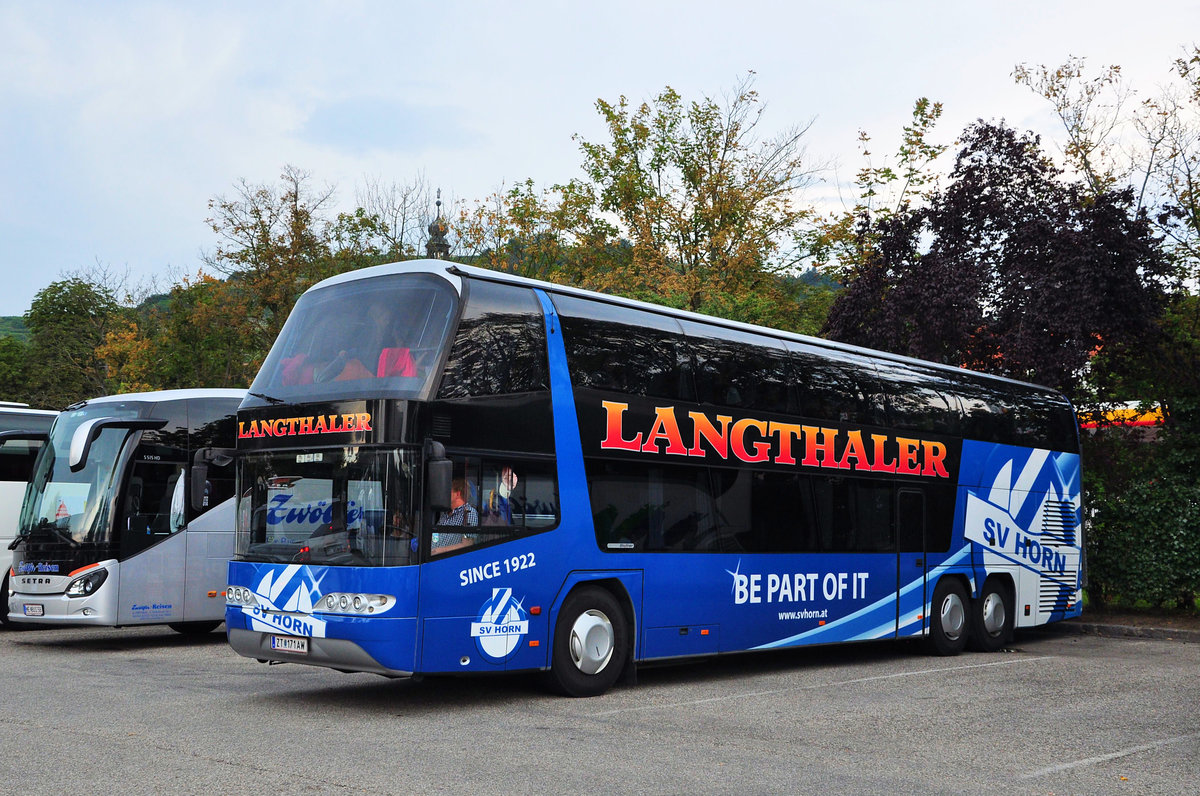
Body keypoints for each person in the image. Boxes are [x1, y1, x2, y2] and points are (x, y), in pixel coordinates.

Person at [433, 478, 477, 552]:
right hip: (433, 559)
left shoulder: (469, 513)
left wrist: (439, 551)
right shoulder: (445, 514)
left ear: (457, 494)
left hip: (450, 559)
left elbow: (467, 545)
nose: (444, 495)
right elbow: (437, 535)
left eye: (448, 492)